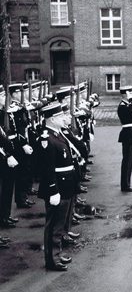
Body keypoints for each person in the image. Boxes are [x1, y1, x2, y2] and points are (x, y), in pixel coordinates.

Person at [36, 102, 76, 271]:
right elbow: (47, 168)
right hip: (57, 187)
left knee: (59, 225)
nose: (64, 118)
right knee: (54, 225)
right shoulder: (47, 139)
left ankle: (56, 254)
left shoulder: (57, 134)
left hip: (66, 185)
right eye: (60, 116)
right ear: (52, 119)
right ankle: (52, 260)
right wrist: (53, 190)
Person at [117, 86, 132, 192]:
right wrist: (131, 100)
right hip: (128, 135)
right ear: (125, 94)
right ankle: (125, 185)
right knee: (127, 161)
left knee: (129, 161)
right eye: (130, 94)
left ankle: (127, 184)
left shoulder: (127, 105)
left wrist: (131, 100)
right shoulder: (122, 106)